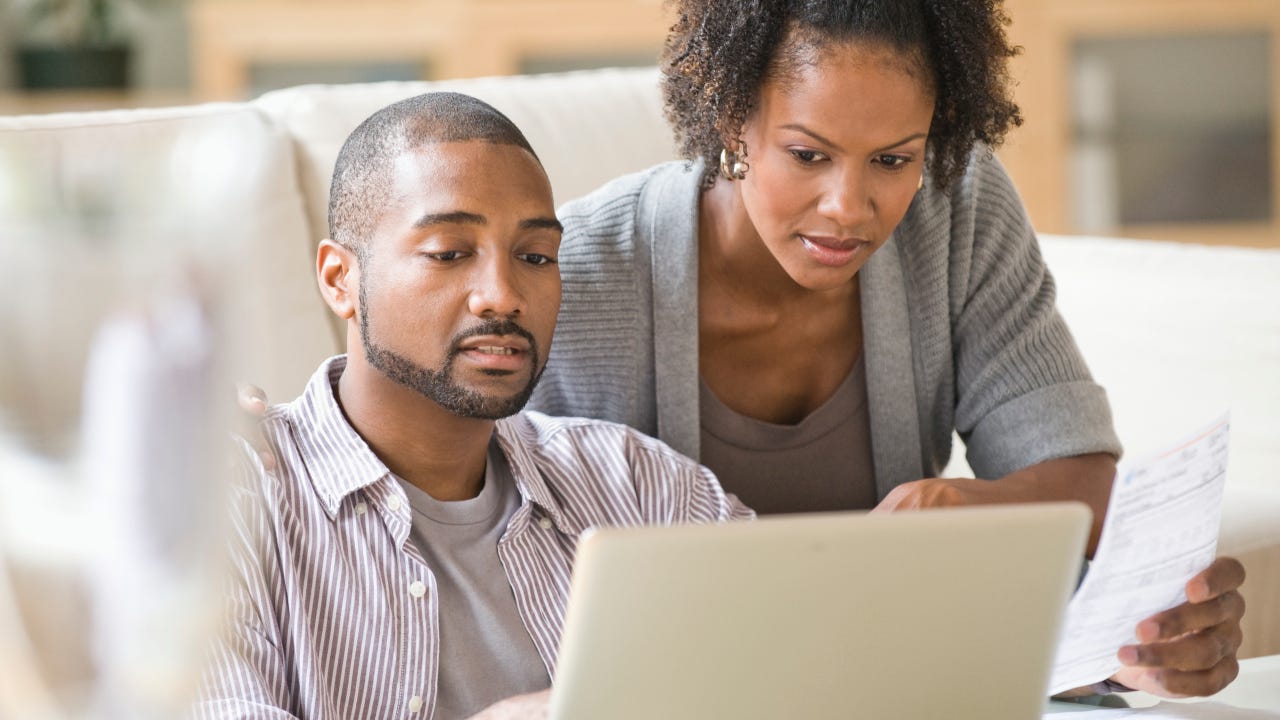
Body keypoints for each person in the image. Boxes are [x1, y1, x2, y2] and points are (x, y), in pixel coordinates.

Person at [523, 0, 1245, 699]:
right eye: (808, 154)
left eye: (894, 161)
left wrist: (972, 509)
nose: (848, 206)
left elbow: (1083, 483)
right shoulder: (576, 275)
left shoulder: (957, 210)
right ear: (732, 119)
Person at [197, 91, 751, 720]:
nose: (503, 295)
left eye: (535, 257)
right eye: (449, 253)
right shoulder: (229, 500)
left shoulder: (641, 487)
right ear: (339, 279)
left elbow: (798, 663)